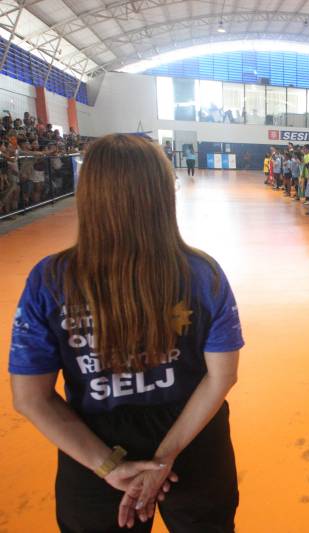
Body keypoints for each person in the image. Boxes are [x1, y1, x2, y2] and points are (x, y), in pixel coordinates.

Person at [8, 134, 243, 531]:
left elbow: (30, 397)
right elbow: (222, 376)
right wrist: (166, 456)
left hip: (92, 442)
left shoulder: (50, 280)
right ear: (162, 194)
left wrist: (108, 466)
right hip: (192, 436)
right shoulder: (204, 275)